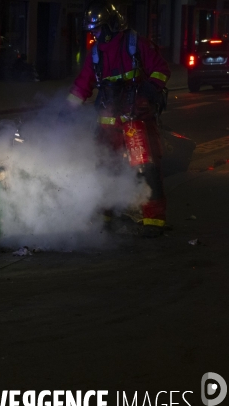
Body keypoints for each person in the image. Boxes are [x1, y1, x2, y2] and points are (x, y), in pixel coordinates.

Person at [66, 0, 171, 237]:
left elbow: (161, 69)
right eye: (92, 30)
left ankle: (154, 220)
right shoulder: (95, 53)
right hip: (108, 122)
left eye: (98, 29)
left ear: (112, 25)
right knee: (105, 166)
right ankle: (105, 214)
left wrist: (148, 91)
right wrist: (65, 110)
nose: (94, 34)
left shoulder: (135, 44)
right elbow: (83, 84)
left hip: (136, 120)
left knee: (146, 167)